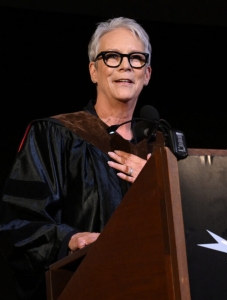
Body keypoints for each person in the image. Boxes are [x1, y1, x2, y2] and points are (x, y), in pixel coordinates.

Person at [0, 16, 158, 300]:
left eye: (136, 58)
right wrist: (69, 239)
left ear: (146, 73)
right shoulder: (55, 135)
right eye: (112, 57)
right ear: (93, 71)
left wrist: (159, 181)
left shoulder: (163, 150)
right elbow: (19, 222)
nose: (125, 65)